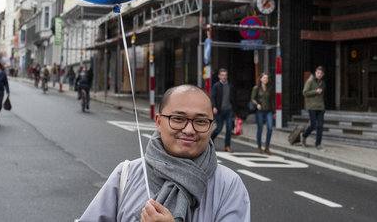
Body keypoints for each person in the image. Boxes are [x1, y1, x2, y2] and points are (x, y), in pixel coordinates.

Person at [78, 84, 250, 221]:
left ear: (211, 126)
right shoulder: (127, 175)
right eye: (178, 119)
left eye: (201, 121)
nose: (189, 129)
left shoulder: (228, 185)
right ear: (159, 123)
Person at [210, 68, 236, 153]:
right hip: (219, 110)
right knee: (219, 128)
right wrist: (214, 107)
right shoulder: (216, 86)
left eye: (225, 75)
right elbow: (212, 97)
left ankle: (227, 146)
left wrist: (234, 110)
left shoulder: (230, 86)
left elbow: (233, 98)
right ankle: (210, 139)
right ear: (219, 76)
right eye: (222, 75)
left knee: (229, 129)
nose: (224, 77)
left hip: (229, 110)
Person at [301, 66, 326, 151]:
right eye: (318, 73)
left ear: (323, 75)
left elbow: (322, 94)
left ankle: (318, 144)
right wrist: (315, 91)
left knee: (320, 126)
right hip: (312, 107)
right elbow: (305, 92)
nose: (319, 75)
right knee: (313, 125)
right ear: (315, 73)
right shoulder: (310, 81)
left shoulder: (322, 82)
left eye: (321, 73)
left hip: (320, 107)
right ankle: (304, 136)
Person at [251, 72, 275, 155]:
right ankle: (259, 147)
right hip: (260, 111)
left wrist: (274, 112)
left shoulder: (270, 88)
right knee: (260, 129)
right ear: (260, 79)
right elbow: (252, 99)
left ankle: (267, 147)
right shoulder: (256, 88)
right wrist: (257, 104)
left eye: (267, 78)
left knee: (270, 128)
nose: (266, 79)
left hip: (268, 111)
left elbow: (272, 101)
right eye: (264, 78)